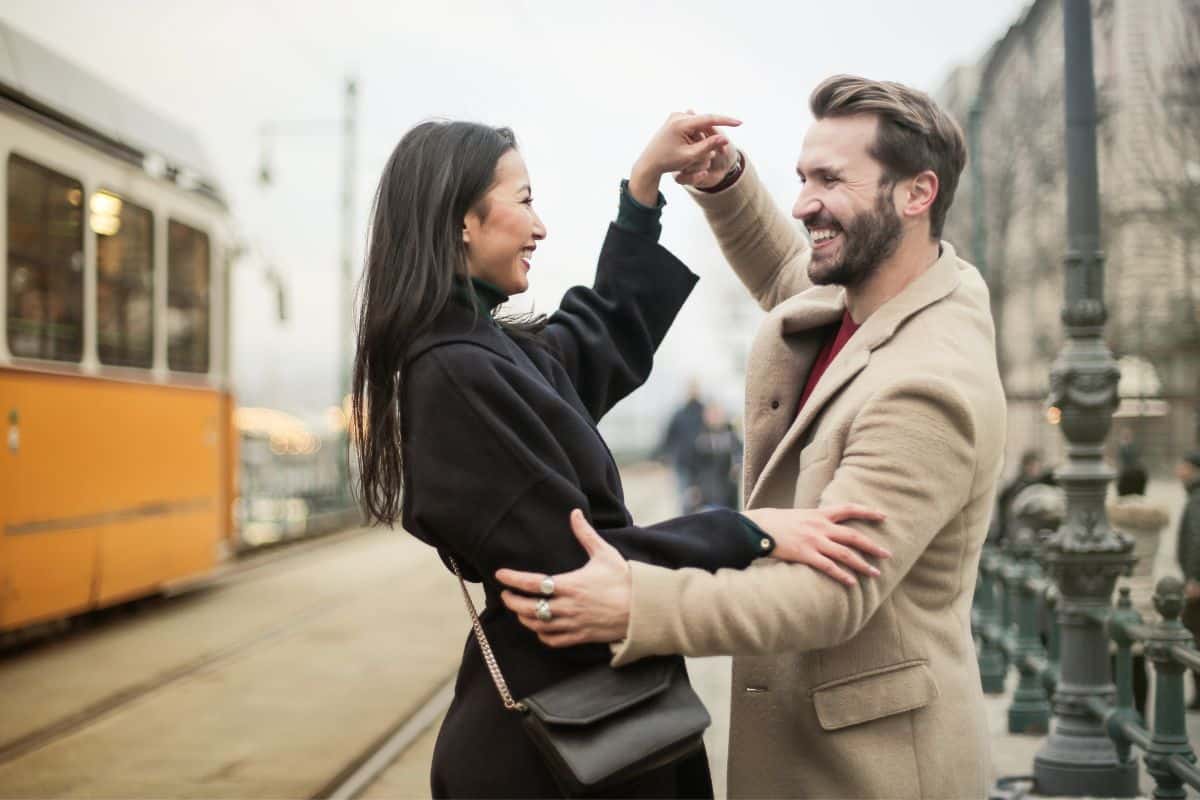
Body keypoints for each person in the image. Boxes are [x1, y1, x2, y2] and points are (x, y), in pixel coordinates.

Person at [351, 117, 890, 799]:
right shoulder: (456, 372)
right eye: (523, 201)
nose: (540, 226)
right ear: (462, 220)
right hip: (561, 746)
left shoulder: (485, 350)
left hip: (587, 719)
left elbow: (599, 332)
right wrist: (752, 529)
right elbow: (579, 568)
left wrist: (643, 191)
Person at [498, 75, 1006, 799]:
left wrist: (637, 604)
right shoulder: (873, 290)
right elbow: (786, 271)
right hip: (815, 749)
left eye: (831, 179)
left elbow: (830, 595)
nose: (803, 203)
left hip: (876, 772)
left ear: (917, 194)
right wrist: (725, 180)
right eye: (802, 177)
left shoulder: (928, 383)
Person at [1107, 465, 1170, 716]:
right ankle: (1142, 715)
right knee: (1139, 662)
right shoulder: (1153, 519)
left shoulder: (1113, 517)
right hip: (1146, 591)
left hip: (1118, 592)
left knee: (1116, 662)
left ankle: (1121, 714)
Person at [989, 449, 1056, 547]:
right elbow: (1005, 514)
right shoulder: (1014, 488)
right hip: (1019, 531)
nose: (1033, 469)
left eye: (1036, 466)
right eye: (1031, 466)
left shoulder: (1045, 483)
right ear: (1024, 466)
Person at [685, 402, 743, 512]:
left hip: (728, 492)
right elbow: (692, 465)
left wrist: (738, 465)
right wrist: (693, 486)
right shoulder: (699, 437)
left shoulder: (731, 435)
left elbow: (740, 454)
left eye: (718, 414)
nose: (715, 418)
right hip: (705, 494)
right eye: (712, 415)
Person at [655, 381, 705, 506]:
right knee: (685, 498)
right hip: (683, 463)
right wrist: (662, 454)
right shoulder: (679, 414)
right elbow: (669, 437)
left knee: (702, 497)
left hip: (703, 464)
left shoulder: (705, 412)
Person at [1176, 451, 1200, 709]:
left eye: (1182, 466)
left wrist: (1195, 578)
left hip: (1196, 584)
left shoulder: (1196, 499)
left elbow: (1196, 539)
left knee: (1195, 636)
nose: (1178, 471)